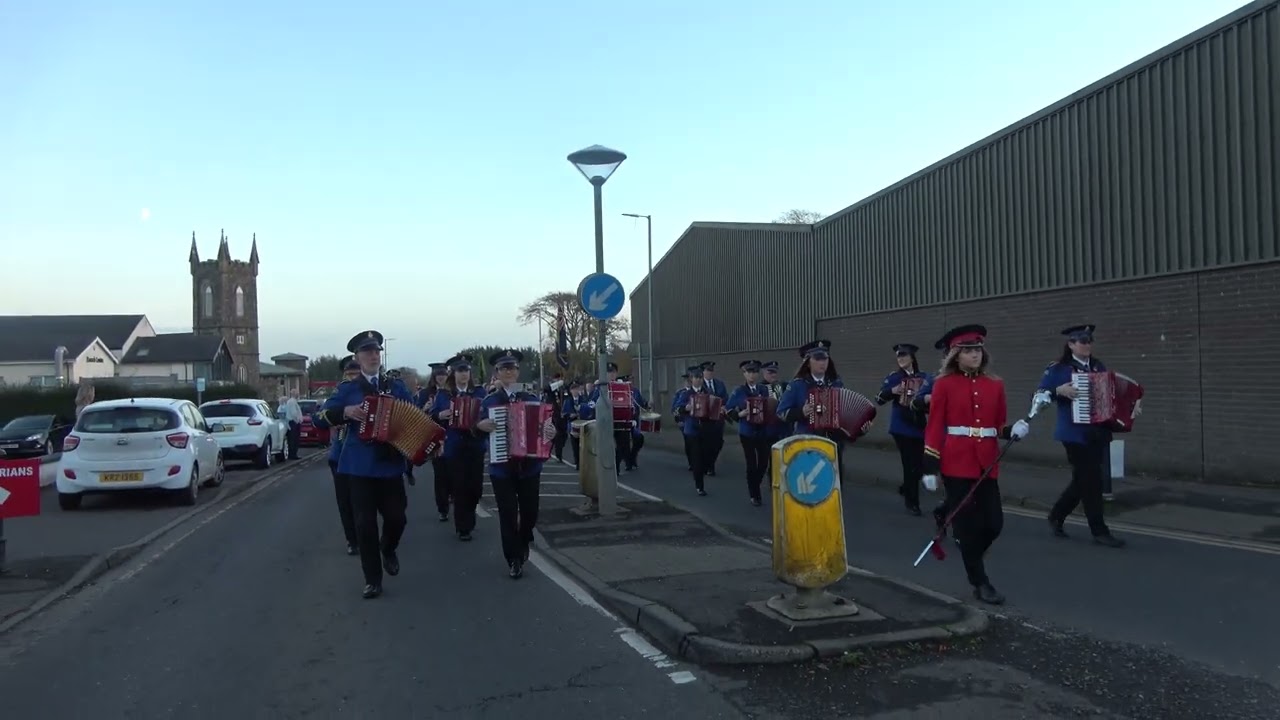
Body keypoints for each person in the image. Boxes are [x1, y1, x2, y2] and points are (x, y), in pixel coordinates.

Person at [920, 324, 1030, 606]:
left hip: (987, 461)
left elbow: (998, 424)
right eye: (968, 351)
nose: (974, 355)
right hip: (956, 461)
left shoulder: (995, 384)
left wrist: (1013, 430)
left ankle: (965, 545)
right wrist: (929, 466)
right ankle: (980, 581)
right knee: (967, 525)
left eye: (977, 350)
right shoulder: (943, 385)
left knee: (994, 523)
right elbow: (935, 428)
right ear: (956, 355)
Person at [317, 330, 415, 599]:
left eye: (376, 351)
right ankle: (372, 579)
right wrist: (344, 412)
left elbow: (414, 413)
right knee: (365, 524)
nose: (373, 355)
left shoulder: (396, 387)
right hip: (358, 467)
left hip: (390, 464)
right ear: (357, 357)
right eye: (367, 352)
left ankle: (388, 547)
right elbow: (320, 417)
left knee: (397, 518)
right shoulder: (347, 390)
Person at [1037, 325, 1126, 548]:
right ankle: (1099, 531)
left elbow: (1111, 394)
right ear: (1071, 344)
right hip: (1074, 434)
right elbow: (1038, 395)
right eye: (1081, 340)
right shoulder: (1058, 369)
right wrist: (1058, 391)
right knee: (1092, 482)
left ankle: (1056, 515)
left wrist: (1128, 407)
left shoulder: (1098, 366)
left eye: (1089, 340)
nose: (1087, 344)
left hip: (1098, 431)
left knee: (1083, 480)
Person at [475, 349, 557, 578]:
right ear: (497, 373)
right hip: (501, 468)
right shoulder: (490, 401)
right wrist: (480, 426)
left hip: (529, 467)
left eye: (512, 368)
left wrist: (552, 431)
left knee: (530, 513)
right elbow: (476, 428)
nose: (508, 372)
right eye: (504, 368)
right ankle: (513, 558)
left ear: (518, 372)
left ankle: (523, 540)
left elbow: (546, 430)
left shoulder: (532, 399)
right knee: (508, 515)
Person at [428, 354, 488, 540]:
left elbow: (486, 413)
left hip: (475, 444)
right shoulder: (444, 395)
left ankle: (468, 516)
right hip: (454, 445)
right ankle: (464, 527)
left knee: (475, 488)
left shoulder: (479, 393)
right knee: (460, 486)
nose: (464, 375)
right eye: (460, 371)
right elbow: (433, 417)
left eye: (466, 371)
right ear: (453, 374)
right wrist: (441, 415)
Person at [776, 340, 849, 475]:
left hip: (833, 442)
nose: (823, 362)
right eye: (818, 358)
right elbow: (781, 412)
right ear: (808, 362)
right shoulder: (797, 385)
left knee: (834, 483)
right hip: (807, 442)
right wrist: (801, 412)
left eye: (825, 358)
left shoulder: (836, 383)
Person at [312, 354, 361, 555]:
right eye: (349, 373)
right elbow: (320, 417)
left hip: (361, 456)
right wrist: (338, 416)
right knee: (345, 501)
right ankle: (352, 539)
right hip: (340, 455)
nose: (352, 376)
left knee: (364, 502)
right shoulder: (339, 393)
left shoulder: (366, 391)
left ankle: (365, 535)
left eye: (356, 373)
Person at [876, 344, 931, 516]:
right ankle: (912, 503)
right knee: (910, 464)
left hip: (919, 426)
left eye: (904, 356)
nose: (901, 359)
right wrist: (893, 391)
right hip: (901, 426)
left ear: (912, 358)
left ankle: (906, 487)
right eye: (899, 357)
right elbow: (879, 399)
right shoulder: (894, 377)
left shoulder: (924, 377)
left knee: (921, 463)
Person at [582, 363, 649, 474]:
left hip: (622, 421)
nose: (611, 375)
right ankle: (609, 468)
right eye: (609, 372)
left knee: (623, 446)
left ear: (616, 373)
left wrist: (637, 411)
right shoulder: (600, 387)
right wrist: (592, 407)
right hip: (606, 421)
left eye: (613, 372)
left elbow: (632, 402)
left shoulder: (624, 387)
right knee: (607, 445)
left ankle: (617, 466)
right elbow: (592, 402)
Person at [726, 359, 772, 506]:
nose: (752, 375)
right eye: (749, 372)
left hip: (762, 430)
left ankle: (755, 484)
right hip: (747, 432)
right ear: (744, 374)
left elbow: (768, 405)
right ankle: (754, 494)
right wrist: (740, 415)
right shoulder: (739, 391)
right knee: (751, 464)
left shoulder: (763, 389)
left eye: (755, 372)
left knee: (764, 463)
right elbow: (727, 409)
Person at [673, 366, 721, 496]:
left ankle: (704, 470)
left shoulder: (708, 392)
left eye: (700, 377)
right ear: (691, 379)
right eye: (696, 378)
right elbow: (677, 409)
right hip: (692, 430)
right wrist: (686, 408)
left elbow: (714, 405)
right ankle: (699, 485)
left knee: (707, 455)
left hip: (707, 429)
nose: (698, 380)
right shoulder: (686, 394)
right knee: (696, 458)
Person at [699, 362, 728, 475]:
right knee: (706, 443)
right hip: (705, 419)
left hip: (718, 418)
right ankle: (708, 465)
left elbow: (725, 397)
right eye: (707, 370)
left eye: (711, 370)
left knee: (718, 442)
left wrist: (725, 406)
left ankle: (711, 462)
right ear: (703, 372)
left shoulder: (719, 384)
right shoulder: (700, 385)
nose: (710, 372)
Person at [672, 369, 694, 471]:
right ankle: (691, 462)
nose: (688, 382)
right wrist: (678, 420)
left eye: (690, 380)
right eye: (687, 380)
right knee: (689, 442)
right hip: (684, 422)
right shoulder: (680, 393)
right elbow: (674, 409)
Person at [281, 388, 304, 460]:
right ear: (294, 394)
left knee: (295, 439)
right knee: (293, 439)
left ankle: (294, 454)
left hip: (294, 422)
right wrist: (298, 420)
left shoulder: (293, 402)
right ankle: (292, 455)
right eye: (297, 393)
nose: (298, 394)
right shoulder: (292, 402)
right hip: (293, 423)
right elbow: (294, 413)